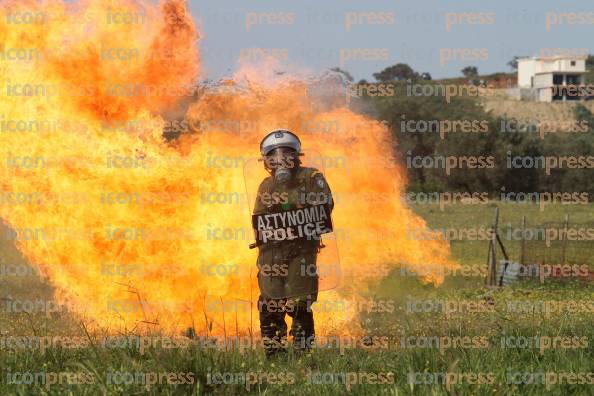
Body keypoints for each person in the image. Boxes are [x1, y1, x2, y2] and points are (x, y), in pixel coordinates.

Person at [252, 129, 333, 358]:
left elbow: (326, 206)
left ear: (297, 155)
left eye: (286, 154)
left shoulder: (311, 178)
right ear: (266, 160)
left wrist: (299, 207)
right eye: (274, 155)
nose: (280, 159)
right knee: (269, 304)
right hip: (272, 253)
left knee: (300, 303)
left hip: (301, 251)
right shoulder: (266, 186)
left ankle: (303, 357)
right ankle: (275, 356)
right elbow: (259, 219)